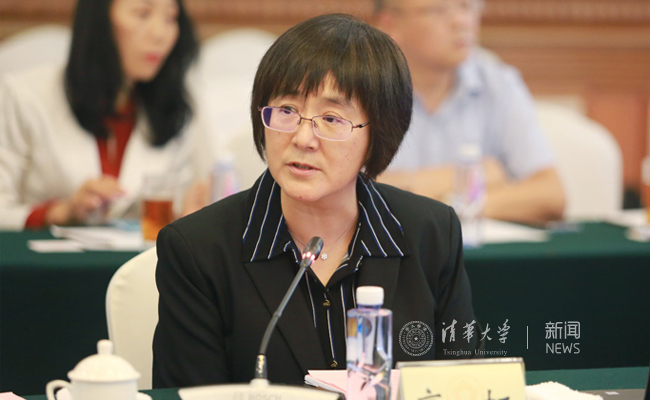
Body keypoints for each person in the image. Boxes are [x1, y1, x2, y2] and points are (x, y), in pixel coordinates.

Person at [153, 13, 480, 388]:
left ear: (379, 132)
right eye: (287, 111)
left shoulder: (431, 233)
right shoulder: (197, 249)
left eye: (331, 118)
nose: (303, 138)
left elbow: (466, 384)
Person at [0, 0, 208, 230]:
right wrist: (59, 212)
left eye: (170, 18)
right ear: (98, 19)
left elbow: (171, 209)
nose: (160, 34)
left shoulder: (174, 109)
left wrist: (186, 219)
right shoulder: (24, 96)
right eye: (143, 14)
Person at [373, 0, 566, 225]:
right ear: (391, 24)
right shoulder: (359, 89)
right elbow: (354, 195)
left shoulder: (498, 83)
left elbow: (551, 194)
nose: (461, 21)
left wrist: (453, 206)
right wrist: (476, 176)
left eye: (466, 6)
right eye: (438, 10)